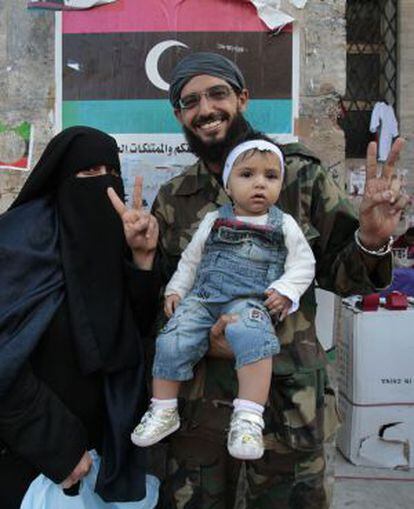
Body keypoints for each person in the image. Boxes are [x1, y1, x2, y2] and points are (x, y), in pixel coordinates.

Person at [149, 52, 408, 508]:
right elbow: (163, 297)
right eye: (191, 101)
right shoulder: (174, 198)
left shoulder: (299, 178)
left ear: (242, 99)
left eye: (218, 94)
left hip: (287, 409)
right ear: (179, 115)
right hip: (201, 415)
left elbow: (345, 278)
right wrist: (200, 332)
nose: (206, 109)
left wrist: (370, 237)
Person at [0, 126, 159, 509]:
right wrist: (58, 446)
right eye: (89, 173)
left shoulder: (117, 237)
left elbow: (138, 332)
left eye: (112, 173)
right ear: (60, 180)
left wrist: (142, 260)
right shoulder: (18, 244)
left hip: (111, 452)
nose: (104, 183)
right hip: (31, 458)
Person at [132, 137, 315, 462]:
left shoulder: (283, 224)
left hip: (249, 301)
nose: (260, 183)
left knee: (253, 337)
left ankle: (248, 418)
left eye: (270, 176)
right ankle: (163, 408)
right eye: (247, 175)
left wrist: (286, 290)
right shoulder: (213, 220)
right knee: (172, 339)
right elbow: (190, 261)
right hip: (203, 299)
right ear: (228, 185)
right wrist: (176, 290)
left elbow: (304, 264)